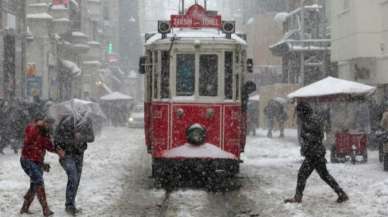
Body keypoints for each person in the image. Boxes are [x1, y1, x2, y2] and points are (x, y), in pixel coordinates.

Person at [285, 102, 349, 203]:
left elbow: (316, 135)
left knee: (302, 174)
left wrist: (306, 139)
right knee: (324, 175)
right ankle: (341, 193)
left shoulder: (311, 120)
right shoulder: (309, 119)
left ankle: (298, 197)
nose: (297, 114)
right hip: (315, 152)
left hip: (314, 153)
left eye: (298, 112)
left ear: (303, 111)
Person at [20, 116, 64, 216]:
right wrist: (37, 126)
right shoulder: (32, 128)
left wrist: (58, 151)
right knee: (39, 182)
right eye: (47, 124)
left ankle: (24, 208)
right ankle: (45, 209)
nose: (49, 126)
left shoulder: (45, 134)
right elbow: (29, 138)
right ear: (43, 122)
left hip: (37, 161)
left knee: (34, 185)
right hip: (27, 160)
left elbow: (49, 146)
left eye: (51, 125)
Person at [54, 113, 94, 216]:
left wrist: (81, 137)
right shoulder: (66, 120)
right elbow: (56, 137)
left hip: (79, 154)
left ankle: (71, 204)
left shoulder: (86, 121)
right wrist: (59, 147)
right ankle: (69, 206)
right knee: (73, 177)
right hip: (67, 154)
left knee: (76, 180)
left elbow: (91, 137)